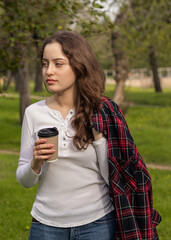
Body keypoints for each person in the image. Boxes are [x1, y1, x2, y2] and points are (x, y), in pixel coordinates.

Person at [16, 31, 161, 240]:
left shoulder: (102, 112)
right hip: (45, 226)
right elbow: (25, 180)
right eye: (44, 63)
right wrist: (35, 164)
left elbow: (115, 177)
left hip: (97, 224)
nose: (49, 71)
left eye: (58, 64)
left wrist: (100, 141)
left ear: (79, 66)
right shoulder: (34, 113)